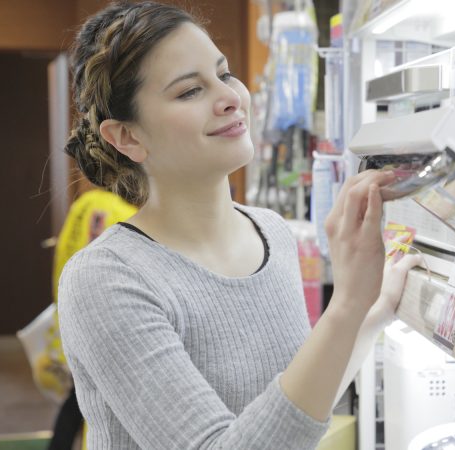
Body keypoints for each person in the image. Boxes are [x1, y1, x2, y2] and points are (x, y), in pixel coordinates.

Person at [57, 2, 421, 449]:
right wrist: (346, 303)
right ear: (127, 137)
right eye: (190, 91)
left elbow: (295, 408)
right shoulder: (104, 279)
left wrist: (373, 310)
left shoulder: (271, 232)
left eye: (224, 74)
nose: (231, 97)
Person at [47, 189, 137, 450]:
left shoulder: (84, 205)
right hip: (108, 323)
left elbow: (62, 253)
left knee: (79, 393)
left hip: (73, 307)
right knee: (93, 400)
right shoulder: (128, 216)